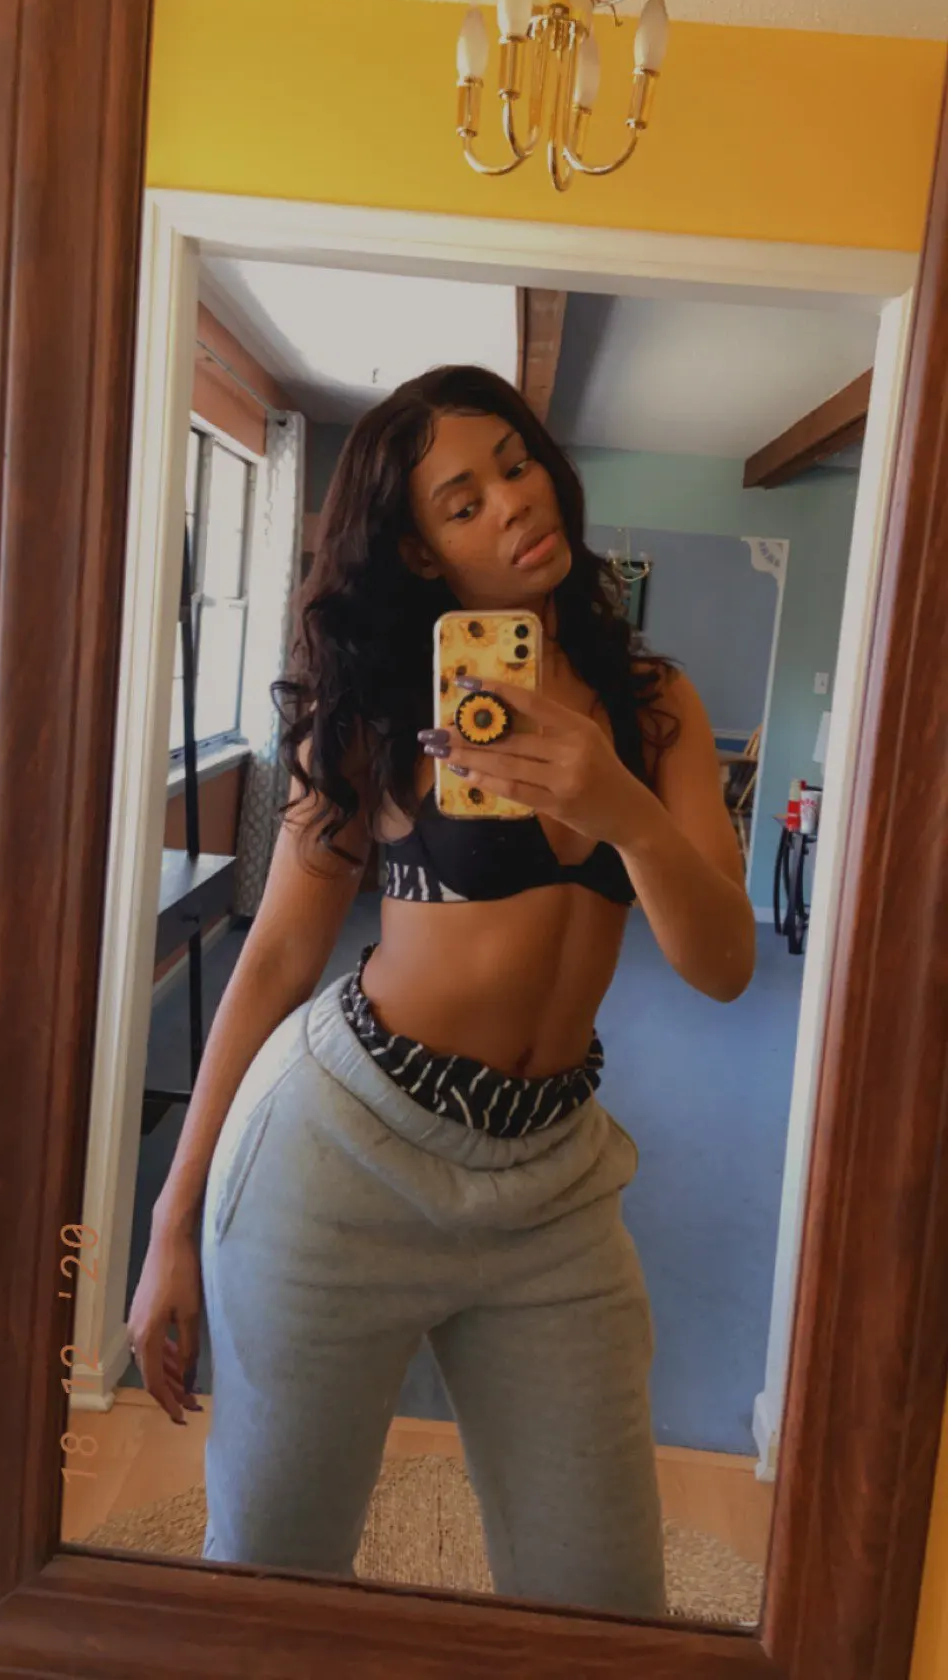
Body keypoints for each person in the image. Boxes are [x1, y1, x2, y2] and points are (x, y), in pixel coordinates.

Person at [128, 364, 755, 1616]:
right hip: (340, 1156)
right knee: (273, 1577)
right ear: (420, 550)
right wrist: (171, 1223)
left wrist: (620, 808)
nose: (513, 503)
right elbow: (278, 957)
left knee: (602, 1602)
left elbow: (726, 964)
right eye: (463, 502)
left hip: (554, 1184)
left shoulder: (655, 707)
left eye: (517, 466)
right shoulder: (378, 709)